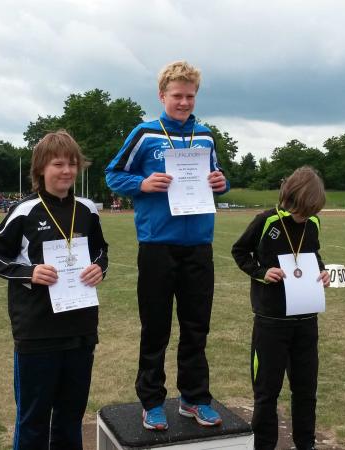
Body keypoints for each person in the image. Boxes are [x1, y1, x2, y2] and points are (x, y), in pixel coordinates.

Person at [105, 60, 229, 431]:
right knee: (155, 328)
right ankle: (152, 401)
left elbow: (217, 177)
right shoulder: (145, 134)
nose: (184, 102)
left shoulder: (205, 136)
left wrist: (221, 183)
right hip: (157, 245)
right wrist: (142, 184)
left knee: (197, 327)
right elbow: (114, 174)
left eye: (190, 96)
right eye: (177, 95)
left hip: (199, 245)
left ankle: (194, 398)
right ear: (162, 96)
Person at [0, 130, 109, 450]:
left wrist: (99, 268)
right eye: (58, 164)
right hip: (37, 331)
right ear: (41, 168)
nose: (67, 171)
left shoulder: (87, 209)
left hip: (80, 329)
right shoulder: (24, 211)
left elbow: (100, 250)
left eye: (72, 164)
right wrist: (30, 272)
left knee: (70, 417)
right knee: (33, 420)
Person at [231, 166, 331, 450]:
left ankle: (305, 444)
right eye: (302, 211)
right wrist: (262, 272)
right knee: (267, 393)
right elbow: (240, 251)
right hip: (271, 322)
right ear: (290, 198)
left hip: (306, 321)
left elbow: (313, 254)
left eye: (311, 212)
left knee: (306, 391)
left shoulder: (313, 223)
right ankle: (264, 445)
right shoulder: (266, 221)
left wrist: (322, 272)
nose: (306, 217)